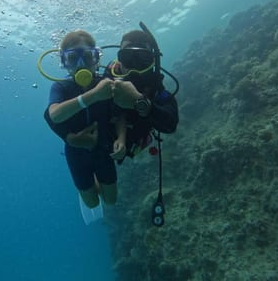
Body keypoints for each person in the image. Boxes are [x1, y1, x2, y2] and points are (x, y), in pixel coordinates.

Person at [44, 30, 127, 210]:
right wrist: (94, 95)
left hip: (103, 149)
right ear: (64, 63)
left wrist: (121, 139)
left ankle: (96, 181)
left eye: (88, 57)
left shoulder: (105, 82)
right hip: (76, 154)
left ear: (96, 59)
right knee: (91, 204)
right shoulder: (61, 87)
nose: (81, 65)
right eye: (73, 58)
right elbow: (55, 114)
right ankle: (89, 188)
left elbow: (118, 115)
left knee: (111, 200)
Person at [107, 30, 179, 161]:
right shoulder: (104, 83)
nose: (133, 67)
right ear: (119, 60)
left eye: (142, 59)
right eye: (127, 58)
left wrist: (141, 102)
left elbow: (171, 124)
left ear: (152, 61)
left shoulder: (156, 90)